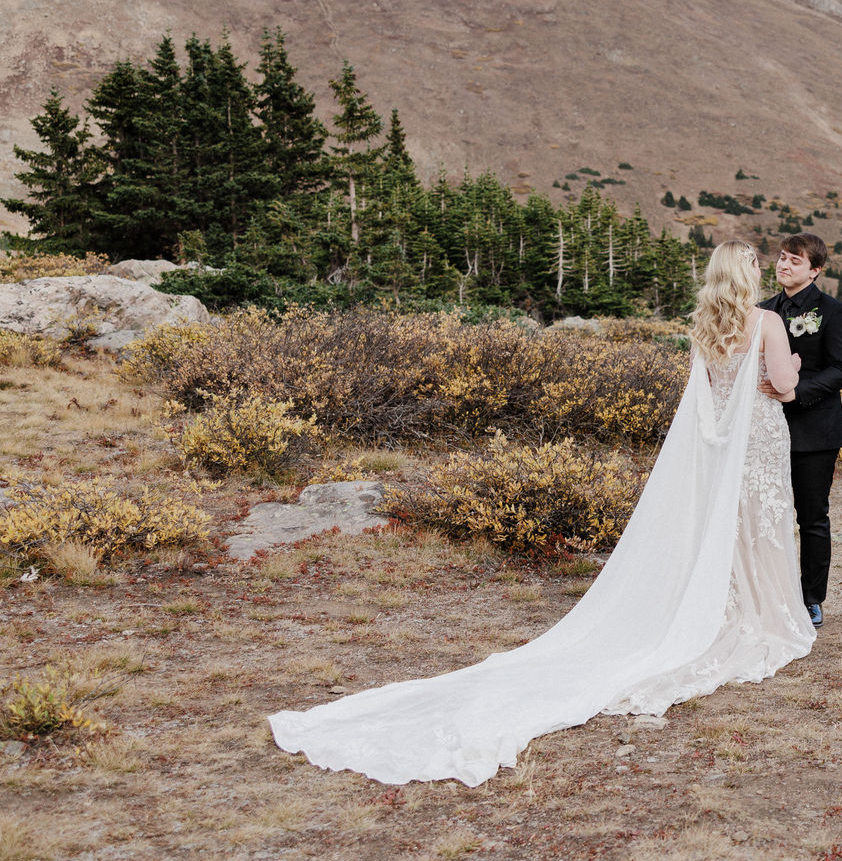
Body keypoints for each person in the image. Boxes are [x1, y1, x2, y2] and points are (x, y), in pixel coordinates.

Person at [268, 241, 814, 786]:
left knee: (719, 526)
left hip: (718, 442)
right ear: (748, 276)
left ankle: (722, 604)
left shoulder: (705, 324)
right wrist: (789, 363)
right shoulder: (765, 321)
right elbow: (784, 387)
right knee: (758, 527)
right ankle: (760, 613)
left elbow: (708, 389)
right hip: (758, 438)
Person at [757, 233, 842, 627]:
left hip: (815, 431)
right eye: (781, 258)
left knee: (811, 517)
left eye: (794, 261)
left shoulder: (833, 312)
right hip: (766, 428)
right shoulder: (762, 310)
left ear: (815, 270)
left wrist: (794, 393)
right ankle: (769, 591)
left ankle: (811, 597)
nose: (784, 265)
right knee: (766, 511)